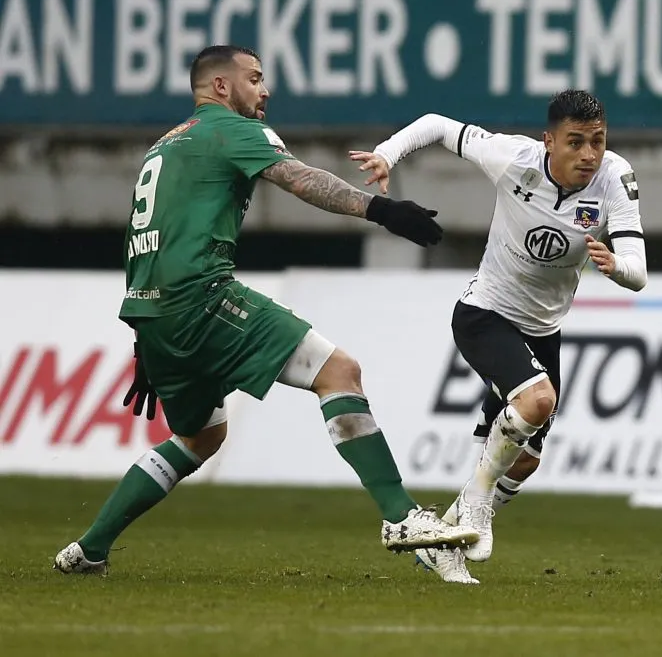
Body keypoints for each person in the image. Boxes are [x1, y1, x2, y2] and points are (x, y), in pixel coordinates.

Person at [53, 44, 478, 575]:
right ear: (221, 88)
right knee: (339, 372)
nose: (266, 89)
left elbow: (150, 235)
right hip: (202, 296)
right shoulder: (232, 130)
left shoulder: (162, 148)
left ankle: (89, 549)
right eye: (255, 78)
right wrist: (382, 209)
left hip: (153, 310)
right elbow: (299, 178)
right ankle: (403, 517)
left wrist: (147, 330)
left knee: (201, 435)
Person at [351, 89, 648, 583]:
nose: (589, 154)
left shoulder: (615, 176)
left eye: (597, 141)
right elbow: (437, 122)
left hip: (544, 331)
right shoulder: (513, 159)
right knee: (537, 401)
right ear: (548, 141)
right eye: (575, 142)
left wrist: (616, 266)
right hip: (485, 314)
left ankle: (446, 541)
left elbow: (638, 271)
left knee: (526, 461)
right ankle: (476, 506)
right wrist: (388, 152)